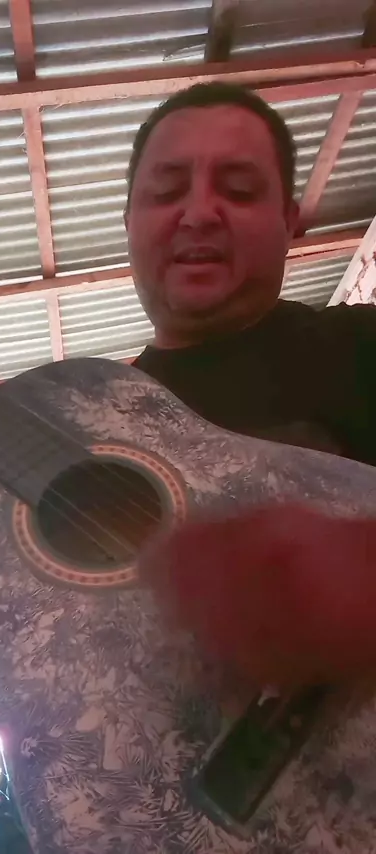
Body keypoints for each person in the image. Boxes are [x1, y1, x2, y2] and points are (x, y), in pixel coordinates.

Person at [124, 81, 376, 691]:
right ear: (129, 220)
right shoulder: (102, 424)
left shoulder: (362, 344)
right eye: (166, 191)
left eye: (238, 190)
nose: (198, 213)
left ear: (289, 222)